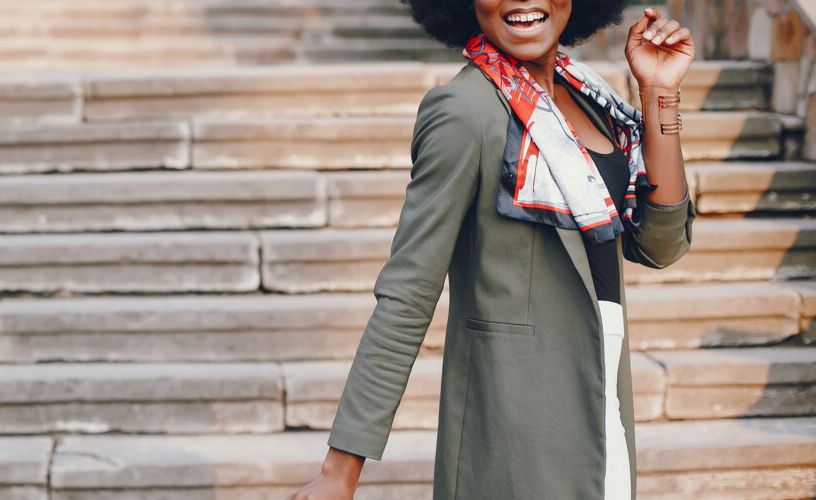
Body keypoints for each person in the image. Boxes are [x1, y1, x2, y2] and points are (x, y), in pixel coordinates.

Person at [291, 1, 695, 499]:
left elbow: (660, 243)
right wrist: (341, 468)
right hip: (514, 428)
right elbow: (408, 294)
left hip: (604, 393)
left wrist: (658, 91)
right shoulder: (464, 112)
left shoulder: (591, 99)